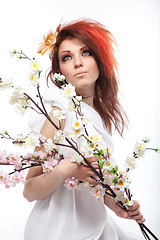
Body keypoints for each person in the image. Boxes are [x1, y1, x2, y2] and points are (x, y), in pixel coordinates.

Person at [23, 19, 145, 240]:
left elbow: (93, 184)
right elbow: (29, 191)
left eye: (86, 52)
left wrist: (117, 205)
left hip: (96, 224)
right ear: (60, 70)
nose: (77, 62)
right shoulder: (59, 114)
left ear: (101, 59)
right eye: (67, 57)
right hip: (57, 230)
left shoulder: (97, 116)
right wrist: (64, 171)